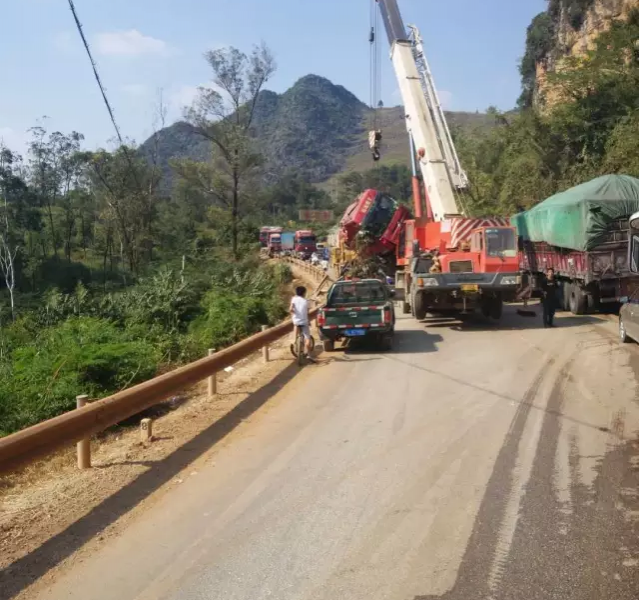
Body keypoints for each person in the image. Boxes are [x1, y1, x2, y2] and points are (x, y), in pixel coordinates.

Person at [290, 286, 313, 359]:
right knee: (307, 337)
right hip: (304, 321)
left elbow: (290, 309)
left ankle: (294, 340)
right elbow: (307, 313)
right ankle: (309, 354)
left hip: (296, 320)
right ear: (304, 293)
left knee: (296, 325)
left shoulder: (294, 299)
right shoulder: (306, 301)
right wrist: (308, 321)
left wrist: (295, 313)